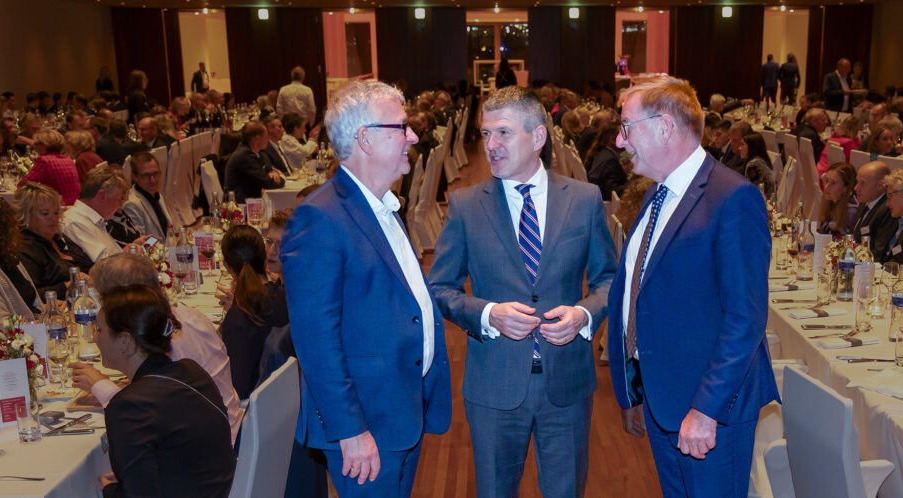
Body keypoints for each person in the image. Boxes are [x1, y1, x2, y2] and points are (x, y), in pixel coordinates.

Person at [428, 85, 616, 497]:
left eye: (503, 133)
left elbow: (608, 280)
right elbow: (440, 286)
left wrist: (584, 315)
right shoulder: (463, 205)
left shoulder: (583, 200)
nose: (491, 145)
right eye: (486, 134)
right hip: (493, 384)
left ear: (538, 137)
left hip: (566, 382)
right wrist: (487, 314)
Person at [605, 75, 776, 496]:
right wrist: (634, 388)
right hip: (666, 399)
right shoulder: (657, 194)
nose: (620, 141)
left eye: (626, 127)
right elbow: (641, 295)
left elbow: (745, 319)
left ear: (664, 127)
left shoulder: (733, 197)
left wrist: (705, 410)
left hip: (708, 410)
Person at [280, 80, 451, 495]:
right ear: (366, 139)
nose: (412, 136)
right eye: (401, 127)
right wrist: (350, 430)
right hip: (366, 426)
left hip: (400, 408)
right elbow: (315, 340)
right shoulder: (319, 218)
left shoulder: (380, 205)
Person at [69, 254, 243, 445]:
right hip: (231, 428)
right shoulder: (189, 315)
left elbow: (147, 415)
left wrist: (101, 386)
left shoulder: (159, 340)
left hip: (215, 447)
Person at [92, 285, 235, 497]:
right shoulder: (191, 370)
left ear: (125, 342)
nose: (95, 338)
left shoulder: (129, 406)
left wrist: (111, 490)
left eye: (99, 330)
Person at [217, 225, 290, 400]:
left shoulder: (238, 319)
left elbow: (237, 389)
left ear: (227, 266)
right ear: (264, 257)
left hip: (256, 410)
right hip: (288, 396)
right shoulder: (286, 297)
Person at [15, 182, 92, 301]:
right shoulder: (26, 248)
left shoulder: (59, 238)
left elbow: (88, 266)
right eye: (45, 213)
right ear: (25, 215)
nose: (53, 218)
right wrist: (68, 286)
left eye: (56, 212)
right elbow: (28, 296)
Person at [62, 165, 146, 262]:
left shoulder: (95, 220)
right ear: (102, 196)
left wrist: (132, 246)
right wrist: (128, 253)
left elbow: (111, 255)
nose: (121, 206)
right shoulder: (76, 222)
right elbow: (104, 265)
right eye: (118, 200)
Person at [0, 197, 39, 326]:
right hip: (13, 342)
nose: (17, 228)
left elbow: (28, 303)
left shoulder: (9, 258)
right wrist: (40, 322)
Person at [224, 120, 285, 201]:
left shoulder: (254, 151)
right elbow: (267, 182)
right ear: (257, 139)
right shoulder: (245, 156)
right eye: (266, 136)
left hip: (249, 199)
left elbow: (267, 167)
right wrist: (282, 179)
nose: (268, 139)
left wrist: (271, 172)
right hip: (238, 205)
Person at [851, 161, 898, 261]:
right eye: (857, 182)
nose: (856, 188)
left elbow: (878, 253)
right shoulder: (866, 200)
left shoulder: (888, 210)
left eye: (862, 183)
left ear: (880, 185)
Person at [19, 130, 80, 205]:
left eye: (36, 144)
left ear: (44, 145)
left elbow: (23, 185)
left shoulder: (44, 161)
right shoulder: (68, 160)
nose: (34, 147)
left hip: (58, 207)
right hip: (74, 205)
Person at [123, 152, 173, 239]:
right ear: (135, 177)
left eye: (155, 174)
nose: (153, 180)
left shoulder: (158, 196)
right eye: (146, 175)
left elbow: (168, 230)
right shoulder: (131, 204)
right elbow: (141, 243)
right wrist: (158, 244)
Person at [586, 125, 627, 200]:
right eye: (623, 137)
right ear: (612, 140)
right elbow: (613, 192)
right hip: (604, 203)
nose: (626, 140)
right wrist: (634, 187)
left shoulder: (603, 153)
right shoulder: (610, 161)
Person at [818, 162, 858, 235]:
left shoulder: (851, 211)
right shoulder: (832, 203)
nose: (826, 187)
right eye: (826, 181)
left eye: (833, 183)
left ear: (846, 188)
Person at [741, 132, 775, 197]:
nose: (740, 148)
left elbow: (753, 195)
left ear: (751, 147)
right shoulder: (761, 160)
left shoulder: (753, 165)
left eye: (742, 145)